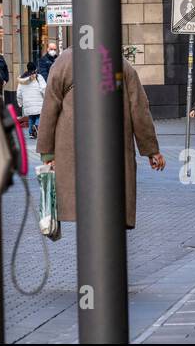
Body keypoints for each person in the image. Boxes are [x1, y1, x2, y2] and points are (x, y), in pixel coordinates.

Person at [38, 48, 165, 231]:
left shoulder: (64, 61)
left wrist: (47, 153)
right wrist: (152, 150)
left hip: (73, 149)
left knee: (83, 207)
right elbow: (139, 109)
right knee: (110, 204)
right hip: (113, 151)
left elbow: (50, 107)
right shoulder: (120, 64)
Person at [16, 64, 47, 138]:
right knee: (39, 116)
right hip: (38, 101)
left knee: (31, 117)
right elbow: (44, 88)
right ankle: (36, 126)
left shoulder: (22, 79)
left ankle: (31, 133)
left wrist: (20, 102)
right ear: (35, 69)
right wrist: (46, 97)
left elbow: (19, 93)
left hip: (27, 103)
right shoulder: (38, 77)